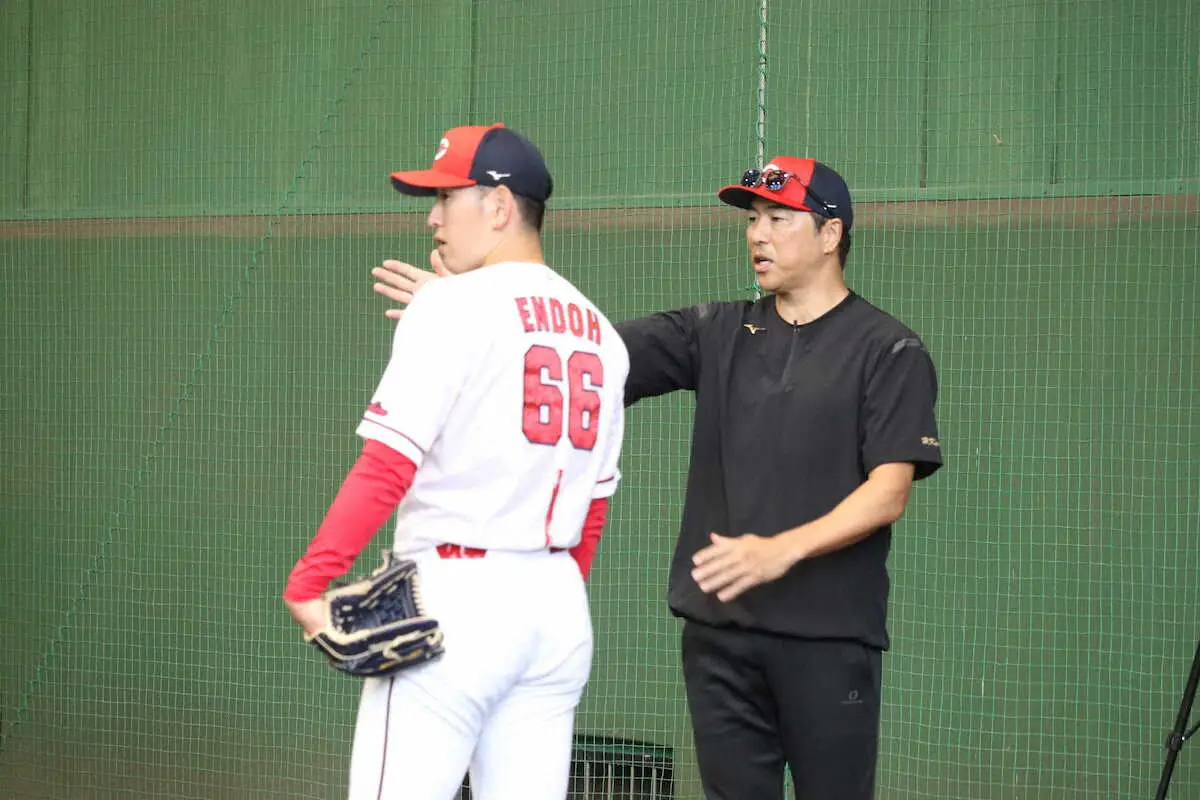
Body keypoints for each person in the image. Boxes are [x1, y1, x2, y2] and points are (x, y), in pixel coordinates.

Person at [373, 155, 943, 799]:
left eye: (778, 219)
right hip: (718, 639)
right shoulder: (718, 331)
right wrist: (470, 313)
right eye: (752, 219)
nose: (757, 234)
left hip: (829, 640)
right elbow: (579, 359)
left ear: (831, 233)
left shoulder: (889, 349)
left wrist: (780, 550)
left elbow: (888, 492)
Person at [283, 122, 629, 800]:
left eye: (447, 198)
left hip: (456, 600)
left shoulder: (449, 308)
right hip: (557, 610)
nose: (433, 218)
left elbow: (387, 466)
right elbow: (594, 507)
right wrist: (549, 598)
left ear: (498, 206)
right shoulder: (601, 332)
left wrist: (308, 584)